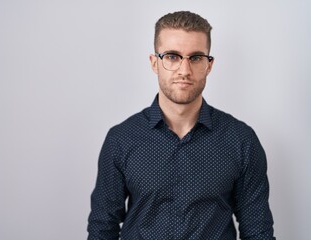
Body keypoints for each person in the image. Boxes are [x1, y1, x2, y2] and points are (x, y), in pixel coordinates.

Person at [87, 11, 275, 239]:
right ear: (155, 63)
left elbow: (258, 231)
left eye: (195, 58)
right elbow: (102, 229)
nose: (184, 71)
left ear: (209, 65)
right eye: (172, 56)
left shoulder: (241, 140)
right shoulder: (122, 139)